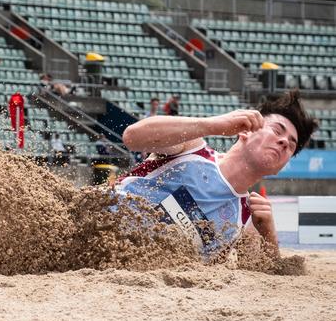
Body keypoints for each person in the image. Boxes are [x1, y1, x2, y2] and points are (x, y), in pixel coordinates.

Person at [114, 90, 317, 258]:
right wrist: (214, 125)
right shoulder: (192, 149)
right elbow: (132, 137)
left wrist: (269, 233)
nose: (283, 142)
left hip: (134, 270)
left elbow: (267, 281)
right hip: (101, 225)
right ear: (246, 131)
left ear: (279, 168)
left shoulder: (248, 224)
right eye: (277, 130)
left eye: (291, 145)